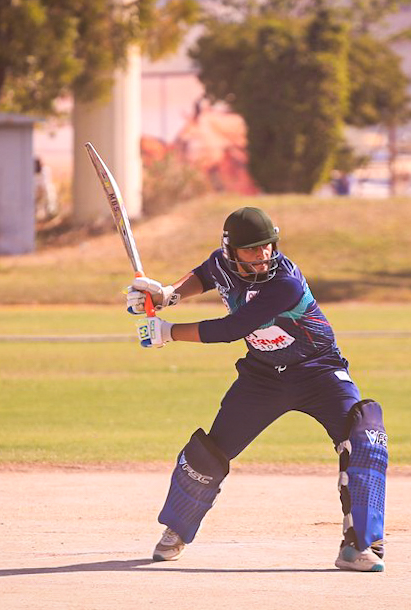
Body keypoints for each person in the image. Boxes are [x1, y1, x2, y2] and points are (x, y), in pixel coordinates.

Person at [125, 207, 388, 572]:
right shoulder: (221, 263)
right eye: (251, 248)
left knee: (365, 435)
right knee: (210, 452)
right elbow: (205, 275)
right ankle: (177, 530)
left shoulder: (285, 283)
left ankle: (360, 544)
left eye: (267, 245)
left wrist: (168, 332)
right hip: (262, 377)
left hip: (320, 371)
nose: (262, 254)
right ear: (231, 250)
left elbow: (231, 329)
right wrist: (168, 294)